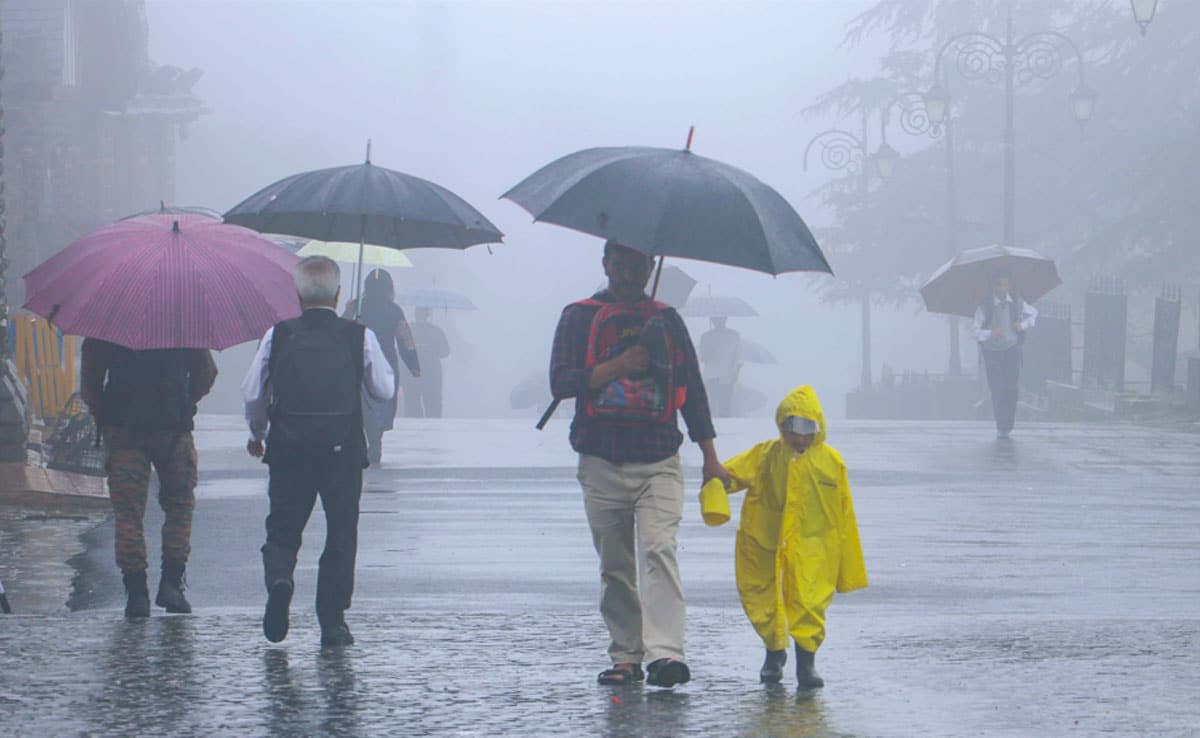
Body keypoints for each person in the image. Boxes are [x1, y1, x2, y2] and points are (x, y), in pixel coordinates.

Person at [549, 239, 730, 688]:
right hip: (600, 457)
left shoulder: (667, 319)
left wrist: (710, 457)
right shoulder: (579, 316)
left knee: (658, 551)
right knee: (615, 564)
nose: (630, 271)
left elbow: (693, 388)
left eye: (639, 264)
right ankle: (626, 655)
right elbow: (561, 381)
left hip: (659, 457)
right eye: (622, 262)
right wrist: (620, 365)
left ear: (651, 267)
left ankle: (666, 654)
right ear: (606, 263)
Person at [241, 255, 395, 647]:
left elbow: (254, 392)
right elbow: (384, 390)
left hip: (289, 447)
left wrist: (258, 432)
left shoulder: (279, 335)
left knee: (284, 527)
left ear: (297, 294)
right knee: (341, 532)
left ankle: (280, 578)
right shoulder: (358, 335)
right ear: (338, 293)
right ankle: (332, 620)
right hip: (342, 450)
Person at [701, 384, 867, 688]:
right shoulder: (767, 455)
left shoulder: (832, 463)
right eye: (793, 427)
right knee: (765, 598)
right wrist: (715, 493)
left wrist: (848, 566)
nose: (800, 436)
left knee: (810, 604)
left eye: (808, 428)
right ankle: (773, 653)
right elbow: (728, 475)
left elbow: (845, 514)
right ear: (782, 426)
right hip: (767, 542)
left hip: (816, 548)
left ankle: (807, 664)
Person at [80, 337, 218, 618]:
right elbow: (206, 374)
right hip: (173, 429)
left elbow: (90, 380)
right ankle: (171, 584)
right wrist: (185, 399)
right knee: (179, 505)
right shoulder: (182, 321)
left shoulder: (108, 321)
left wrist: (103, 412)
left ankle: (136, 593)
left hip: (123, 430)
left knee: (128, 512)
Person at [343, 269, 420, 464]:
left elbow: (340, 330)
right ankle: (376, 440)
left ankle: (369, 439)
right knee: (382, 402)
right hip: (386, 361)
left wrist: (350, 313)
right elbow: (405, 340)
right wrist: (413, 364)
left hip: (359, 359)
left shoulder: (356, 307)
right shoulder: (394, 310)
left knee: (364, 403)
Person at [973, 273, 1038, 439]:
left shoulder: (1017, 303)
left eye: (1005, 284)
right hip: (992, 353)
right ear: (994, 286)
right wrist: (990, 333)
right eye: (999, 284)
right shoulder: (985, 306)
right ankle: (1001, 425)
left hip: (1011, 350)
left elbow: (1034, 314)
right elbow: (975, 332)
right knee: (997, 389)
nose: (1002, 288)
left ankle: (1009, 422)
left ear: (1010, 286)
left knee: (1012, 388)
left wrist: (1021, 325)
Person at [403, 307, 450, 418]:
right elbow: (445, 352)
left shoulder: (408, 329)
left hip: (411, 372)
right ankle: (433, 428)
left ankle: (413, 428)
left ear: (415, 314)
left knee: (412, 402)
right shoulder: (436, 331)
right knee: (433, 402)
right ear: (428, 315)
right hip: (432, 373)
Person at [699, 316, 743, 416]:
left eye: (721, 319)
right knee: (711, 403)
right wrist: (706, 353)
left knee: (725, 403)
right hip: (712, 375)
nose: (719, 322)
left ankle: (725, 423)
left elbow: (738, 357)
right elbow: (702, 357)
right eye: (717, 320)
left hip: (727, 374)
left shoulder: (734, 336)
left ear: (725, 320)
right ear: (713, 321)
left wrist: (736, 372)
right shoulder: (706, 337)